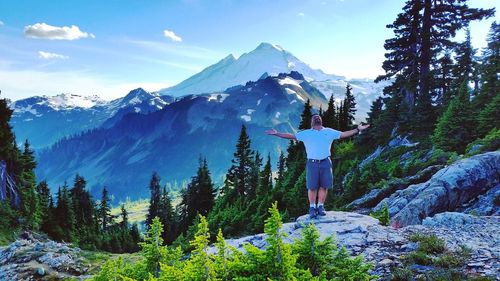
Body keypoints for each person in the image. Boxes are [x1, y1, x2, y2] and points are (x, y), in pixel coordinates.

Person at [265, 114, 369, 218]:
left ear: (321, 120)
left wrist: (357, 129)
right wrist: (277, 134)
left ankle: (320, 206)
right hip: (312, 163)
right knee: (312, 186)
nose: (317, 117)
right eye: (314, 117)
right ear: (312, 122)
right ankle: (312, 208)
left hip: (325, 162)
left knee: (324, 186)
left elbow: (344, 134)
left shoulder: (329, 132)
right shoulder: (306, 133)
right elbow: (291, 136)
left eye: (318, 116)